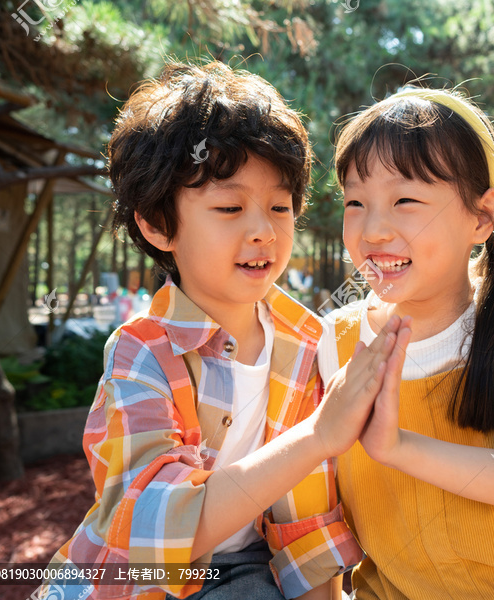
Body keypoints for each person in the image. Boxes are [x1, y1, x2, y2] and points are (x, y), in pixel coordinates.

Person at [34, 61, 411, 600]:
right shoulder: (144, 351)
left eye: (280, 206)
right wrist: (318, 437)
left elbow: (305, 514)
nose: (263, 230)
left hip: (250, 565)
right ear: (157, 225)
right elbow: (157, 535)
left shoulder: (306, 341)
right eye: (230, 206)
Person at [318, 86, 494, 599]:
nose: (374, 229)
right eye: (355, 202)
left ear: (482, 216)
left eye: (405, 200)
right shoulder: (337, 340)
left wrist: (397, 447)